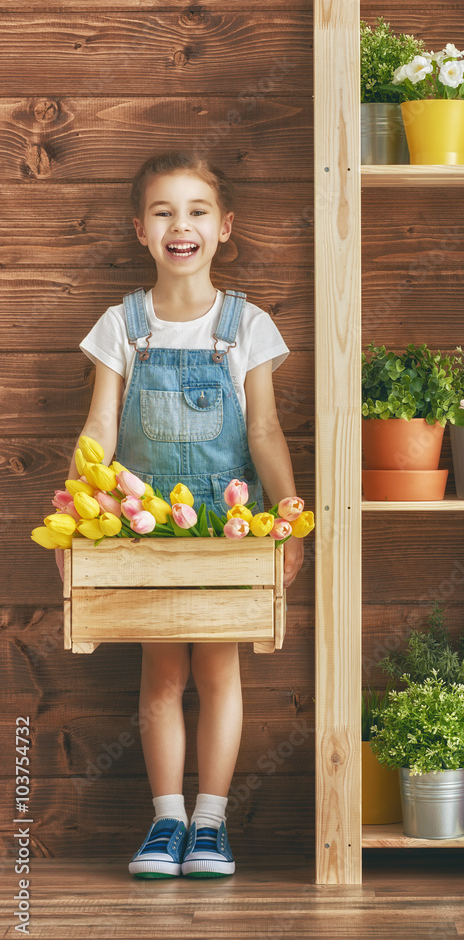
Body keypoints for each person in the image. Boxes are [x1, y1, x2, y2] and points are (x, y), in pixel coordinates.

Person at [61, 151, 304, 879]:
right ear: (140, 229)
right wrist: (78, 501)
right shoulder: (121, 326)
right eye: (164, 212)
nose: (181, 225)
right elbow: (101, 423)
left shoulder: (247, 325)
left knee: (221, 670)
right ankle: (166, 820)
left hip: (229, 532)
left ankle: (210, 826)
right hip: (142, 527)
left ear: (224, 228)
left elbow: (262, 429)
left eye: (197, 211)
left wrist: (287, 515)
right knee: (162, 672)